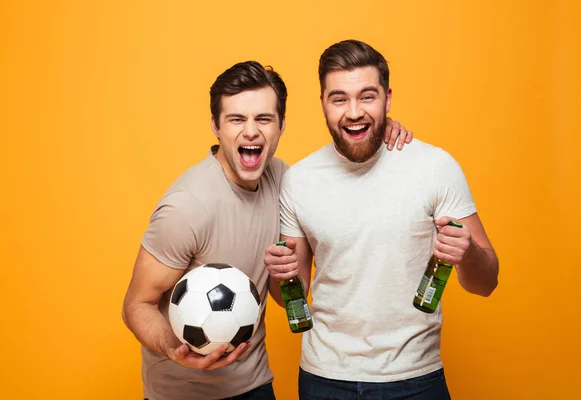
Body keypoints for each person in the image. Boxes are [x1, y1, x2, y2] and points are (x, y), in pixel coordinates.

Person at [122, 60, 413, 400]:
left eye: (263, 119)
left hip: (256, 385)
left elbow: (280, 295)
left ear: (281, 124)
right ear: (215, 126)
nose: (251, 131)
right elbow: (136, 304)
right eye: (236, 119)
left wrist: (380, 130)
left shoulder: (284, 182)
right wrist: (175, 348)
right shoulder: (187, 207)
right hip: (183, 394)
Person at [264, 39, 499, 400]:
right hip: (323, 379)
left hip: (415, 379)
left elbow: (486, 283)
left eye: (367, 96)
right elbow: (289, 296)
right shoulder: (300, 179)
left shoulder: (434, 168)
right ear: (323, 104)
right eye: (339, 98)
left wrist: (466, 253)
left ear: (387, 99)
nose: (353, 111)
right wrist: (282, 275)